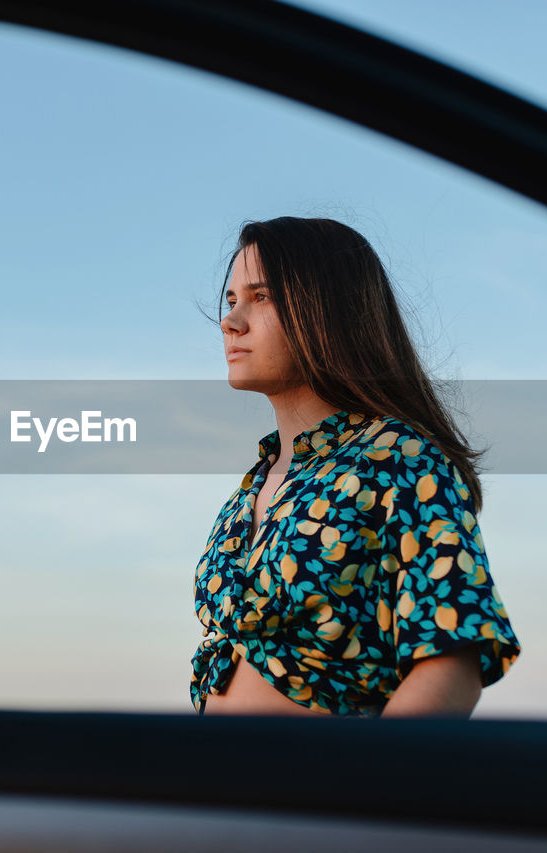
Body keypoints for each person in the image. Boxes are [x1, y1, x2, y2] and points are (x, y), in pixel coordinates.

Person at [191, 216, 521, 718]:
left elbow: (453, 656)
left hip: (320, 790)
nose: (231, 321)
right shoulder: (253, 485)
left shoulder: (397, 458)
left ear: (328, 311)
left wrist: (364, 788)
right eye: (232, 300)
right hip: (211, 790)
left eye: (262, 297)